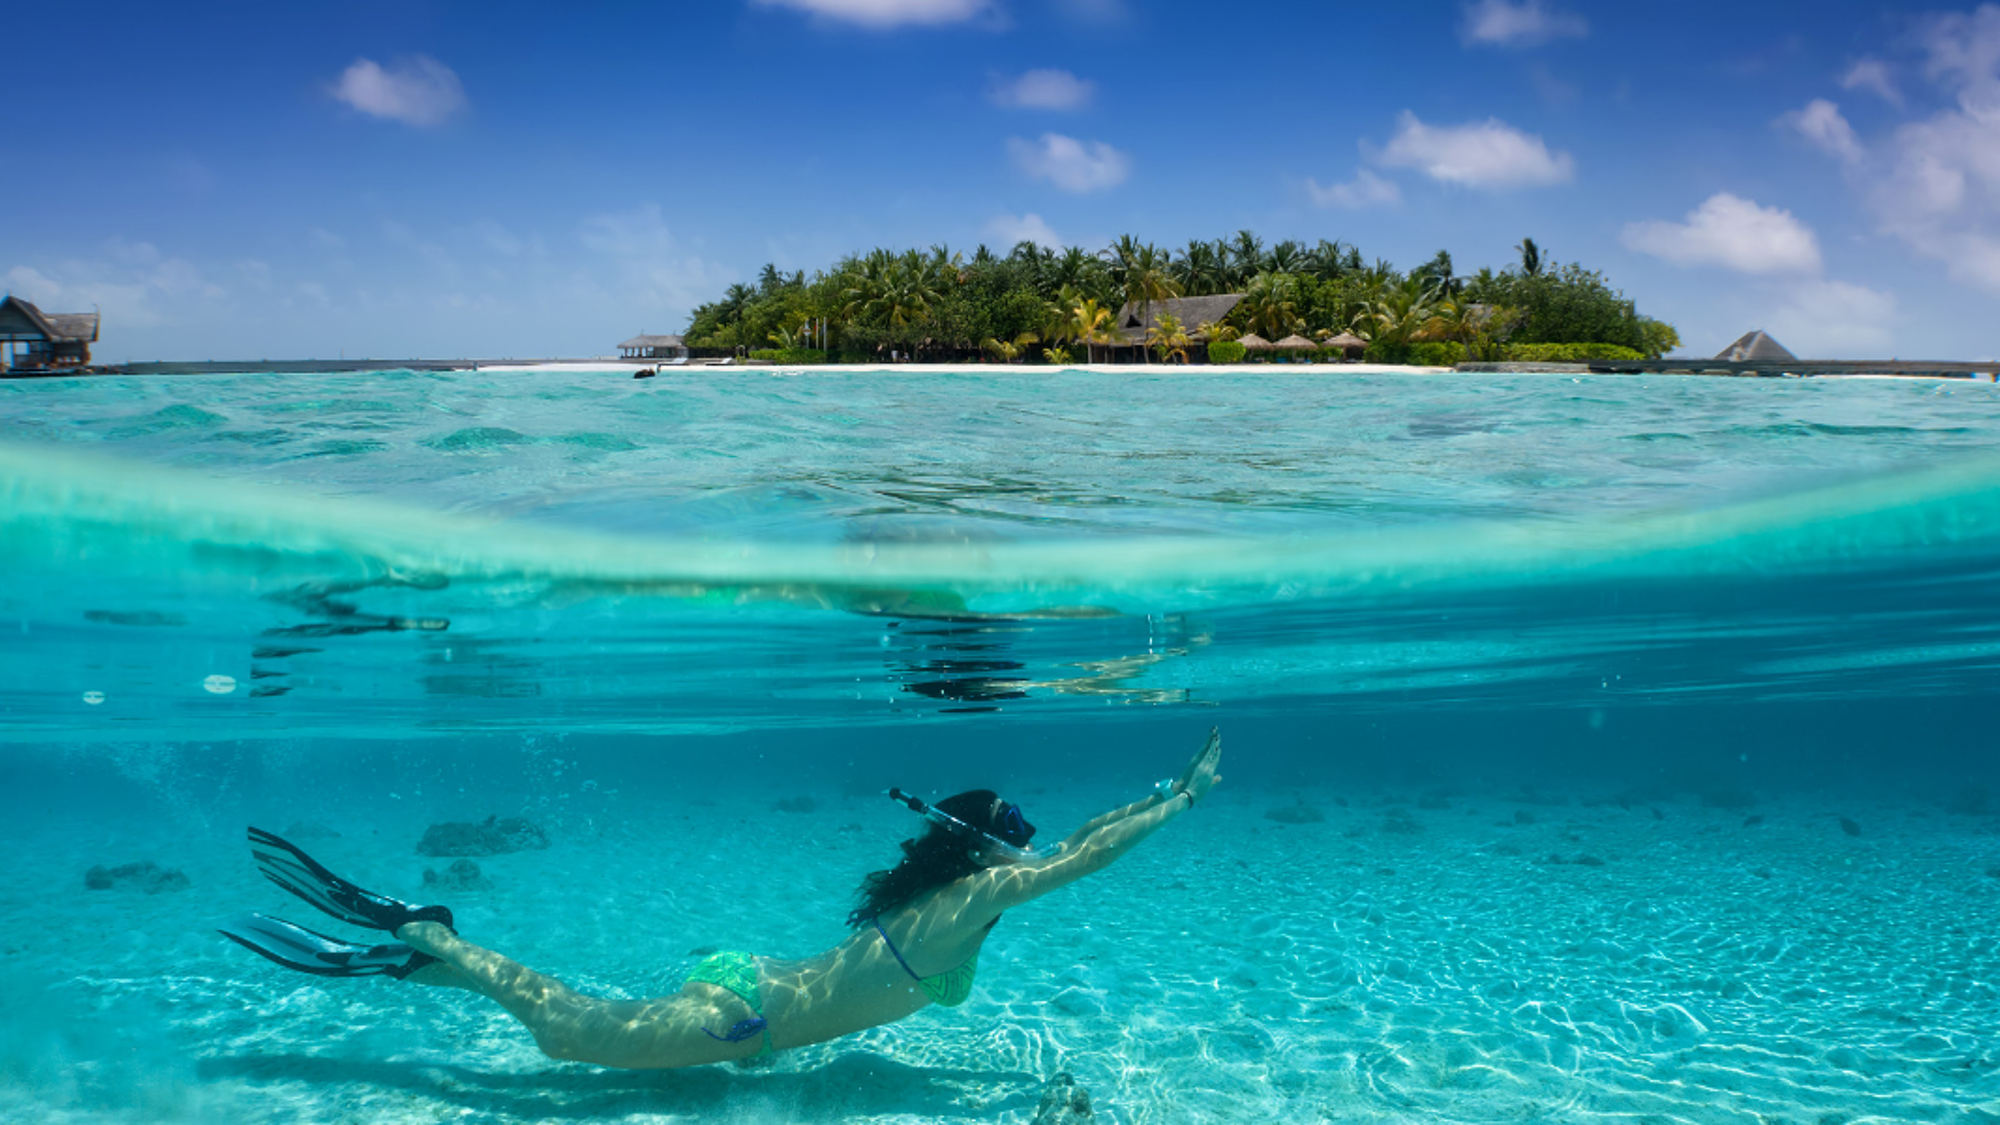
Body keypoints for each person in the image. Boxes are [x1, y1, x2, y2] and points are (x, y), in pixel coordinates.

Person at [221, 728, 1223, 1069]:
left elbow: (1081, 843)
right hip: (743, 1011)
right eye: (1021, 836)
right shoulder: (978, 895)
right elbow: (1083, 860)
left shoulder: (967, 894)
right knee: (571, 1040)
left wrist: (1148, 796)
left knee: (587, 1031)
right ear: (991, 851)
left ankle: (425, 960)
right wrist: (1175, 803)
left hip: (753, 998)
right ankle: (424, 931)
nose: (1035, 847)